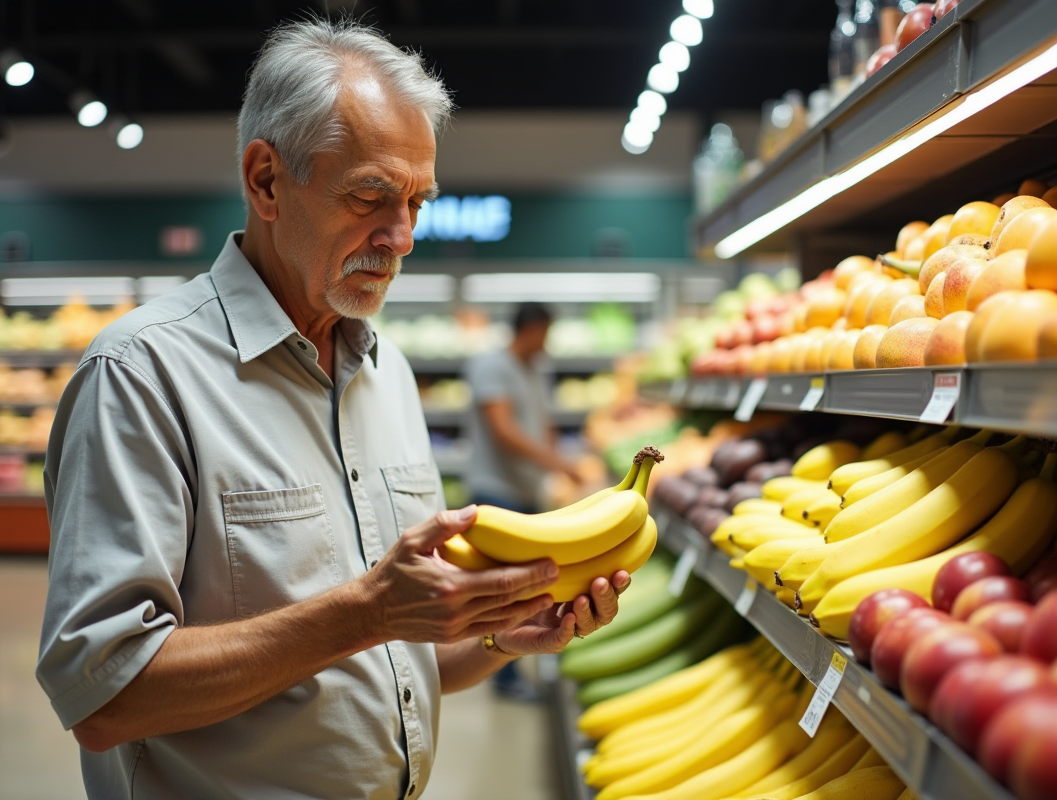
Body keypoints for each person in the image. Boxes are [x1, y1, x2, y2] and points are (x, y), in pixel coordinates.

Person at [35, 19, 629, 800]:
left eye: (418, 201)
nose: (404, 236)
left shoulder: (390, 375)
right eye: (372, 196)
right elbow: (104, 695)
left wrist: (497, 635)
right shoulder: (141, 377)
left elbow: (401, 654)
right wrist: (367, 612)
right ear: (267, 181)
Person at [463, 302, 584, 699]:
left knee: (527, 591)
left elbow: (544, 423)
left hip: (526, 492)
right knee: (500, 592)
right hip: (495, 493)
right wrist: (557, 463)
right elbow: (503, 430)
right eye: (544, 334)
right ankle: (502, 677)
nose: (546, 344)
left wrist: (555, 471)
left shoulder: (536, 370)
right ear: (529, 330)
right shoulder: (491, 367)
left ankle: (515, 667)